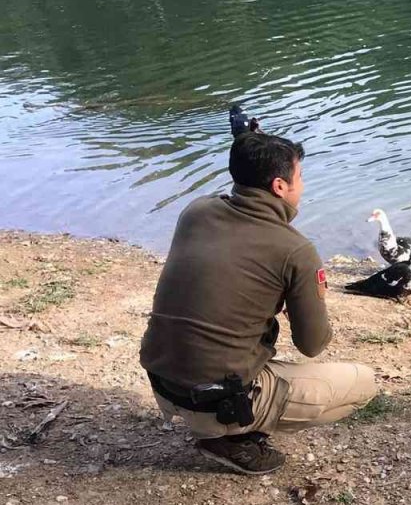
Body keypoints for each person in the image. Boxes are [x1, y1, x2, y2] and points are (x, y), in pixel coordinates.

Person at [140, 130, 378, 475]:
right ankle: (233, 438)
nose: (303, 186)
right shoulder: (295, 250)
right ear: (280, 187)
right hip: (217, 401)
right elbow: (312, 344)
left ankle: (225, 425)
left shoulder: (196, 211)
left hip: (163, 382)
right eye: (300, 177)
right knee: (363, 383)